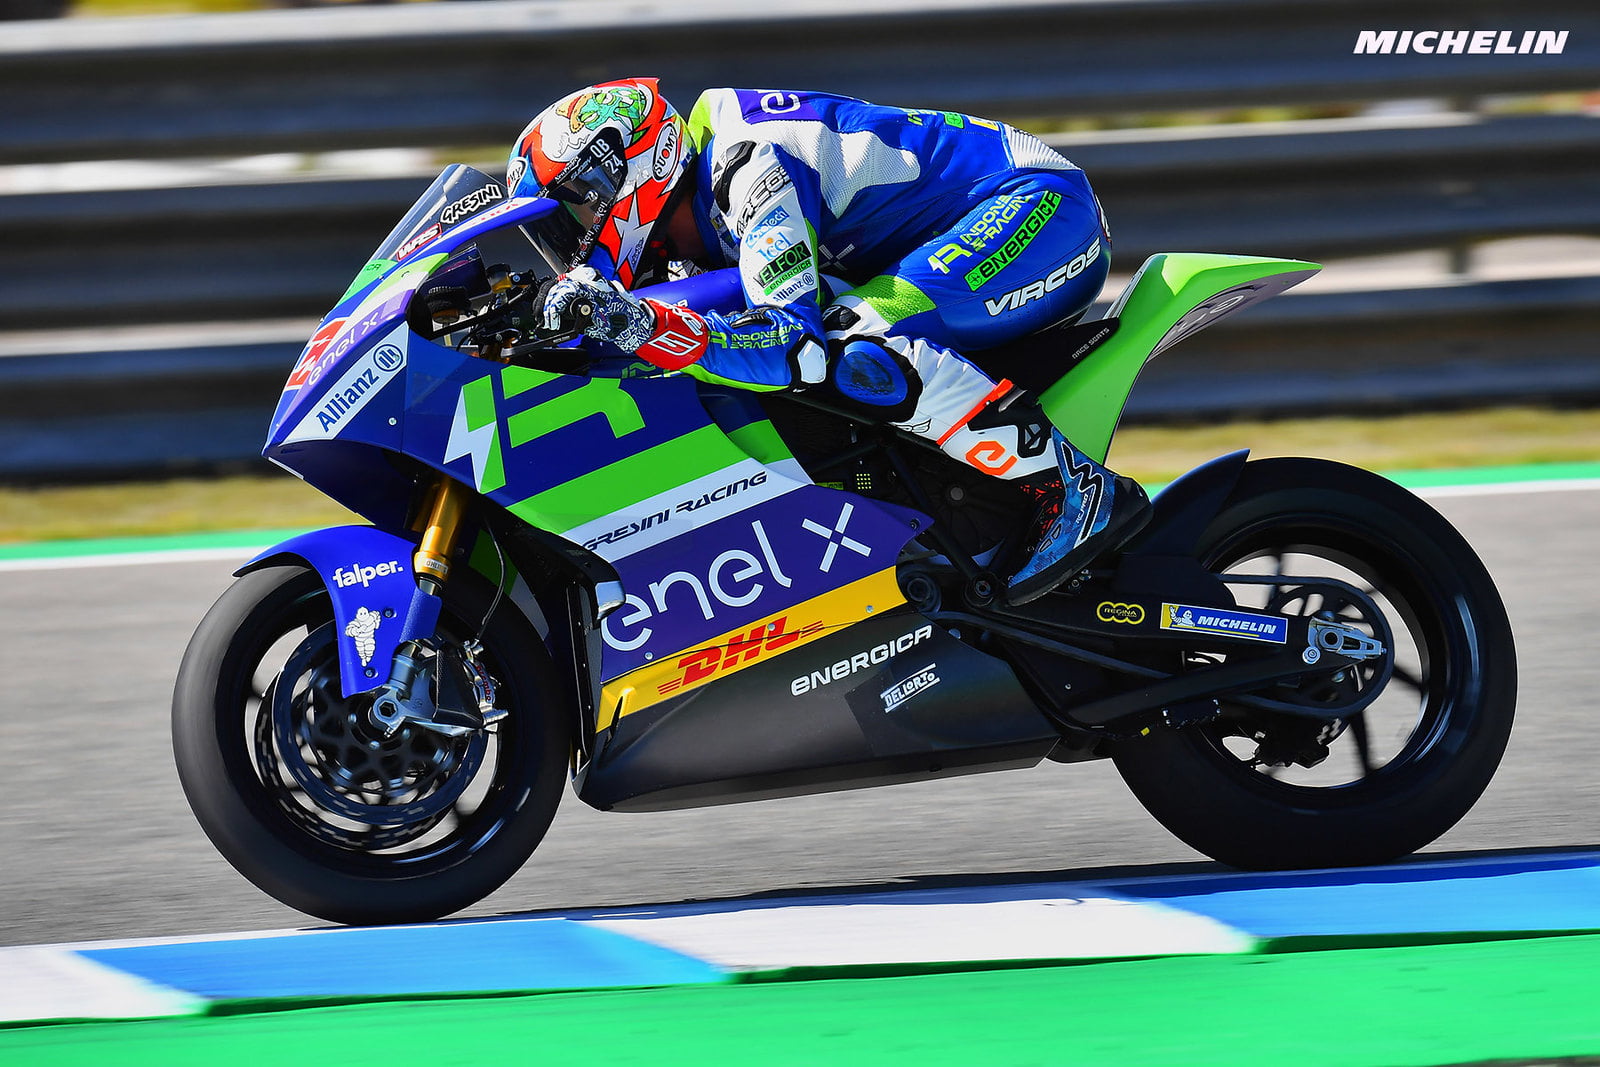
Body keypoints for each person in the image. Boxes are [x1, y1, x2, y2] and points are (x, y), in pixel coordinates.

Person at [507, 78, 1150, 605]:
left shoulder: (748, 165)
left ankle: (1074, 488)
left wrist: (643, 325)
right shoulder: (698, 213)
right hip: (964, 227)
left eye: (575, 215)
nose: (571, 247)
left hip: (1034, 207)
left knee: (851, 342)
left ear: (626, 172)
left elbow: (789, 345)